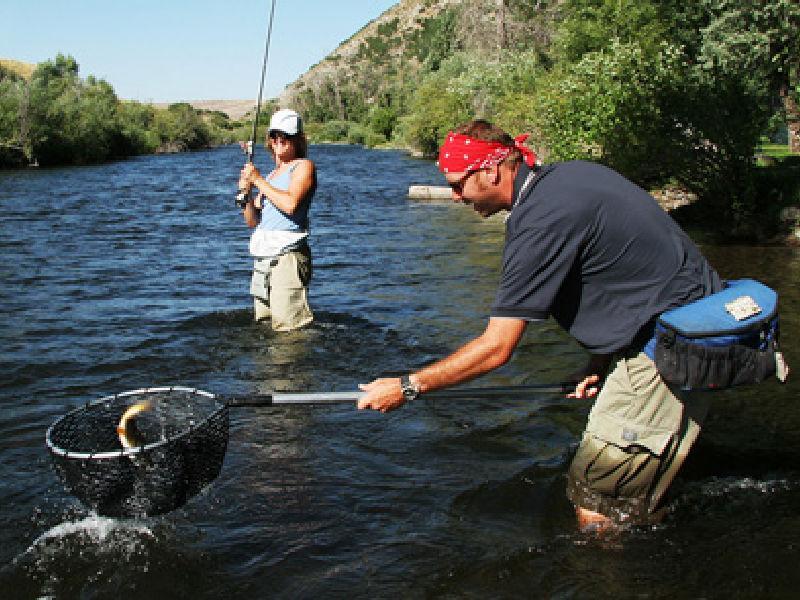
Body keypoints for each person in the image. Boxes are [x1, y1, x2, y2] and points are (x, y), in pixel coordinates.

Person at [357, 119, 722, 531]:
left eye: (459, 184)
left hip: (668, 353)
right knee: (639, 488)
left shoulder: (540, 221)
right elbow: (627, 280)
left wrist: (407, 386)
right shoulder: (569, 178)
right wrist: (601, 362)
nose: (456, 197)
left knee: (597, 502)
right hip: (693, 333)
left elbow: (498, 347)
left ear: (492, 170)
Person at [238, 108, 315, 331]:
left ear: (298, 139)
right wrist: (246, 195)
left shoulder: (303, 167)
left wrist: (258, 180)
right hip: (264, 257)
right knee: (264, 323)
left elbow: (291, 205)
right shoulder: (271, 176)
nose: (279, 141)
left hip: (287, 257)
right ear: (269, 140)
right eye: (274, 136)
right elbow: (253, 222)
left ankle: (295, 365)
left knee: (289, 328)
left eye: (286, 136)